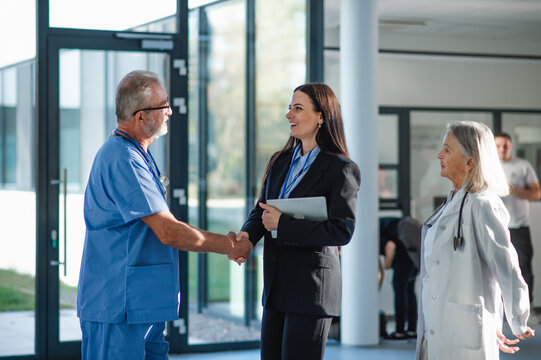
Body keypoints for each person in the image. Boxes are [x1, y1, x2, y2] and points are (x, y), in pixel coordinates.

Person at [77, 70, 253, 360]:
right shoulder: (122, 158)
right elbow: (168, 231)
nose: (170, 111)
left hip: (141, 304)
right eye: (163, 105)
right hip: (118, 305)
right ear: (140, 116)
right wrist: (230, 246)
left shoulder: (138, 154)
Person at [235, 83, 360, 360]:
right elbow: (262, 210)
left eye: (298, 108)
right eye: (290, 107)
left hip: (312, 290)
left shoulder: (341, 168)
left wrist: (284, 225)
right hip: (277, 286)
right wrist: (247, 236)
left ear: (321, 116)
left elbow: (342, 230)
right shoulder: (279, 161)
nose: (289, 114)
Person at [416, 121, 535, 360]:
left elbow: (506, 266)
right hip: (435, 324)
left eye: (447, 150)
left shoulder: (484, 204)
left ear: (470, 161)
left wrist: (518, 319)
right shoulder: (453, 201)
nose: (440, 155)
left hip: (464, 330)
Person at [494, 132, 540, 305]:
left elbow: (536, 194)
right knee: (495, 270)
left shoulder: (522, 165)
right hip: (495, 227)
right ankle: (499, 311)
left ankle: (527, 310)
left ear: (511, 146)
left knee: (523, 270)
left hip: (519, 227)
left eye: (505, 145)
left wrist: (513, 189)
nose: (502, 149)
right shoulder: (487, 166)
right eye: (498, 145)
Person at [380, 217, 419, 340]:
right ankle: (412, 330)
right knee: (409, 289)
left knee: (399, 289)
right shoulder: (383, 223)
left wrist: (387, 265)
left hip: (404, 250)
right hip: (415, 252)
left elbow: (390, 247)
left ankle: (400, 331)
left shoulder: (373, 232)